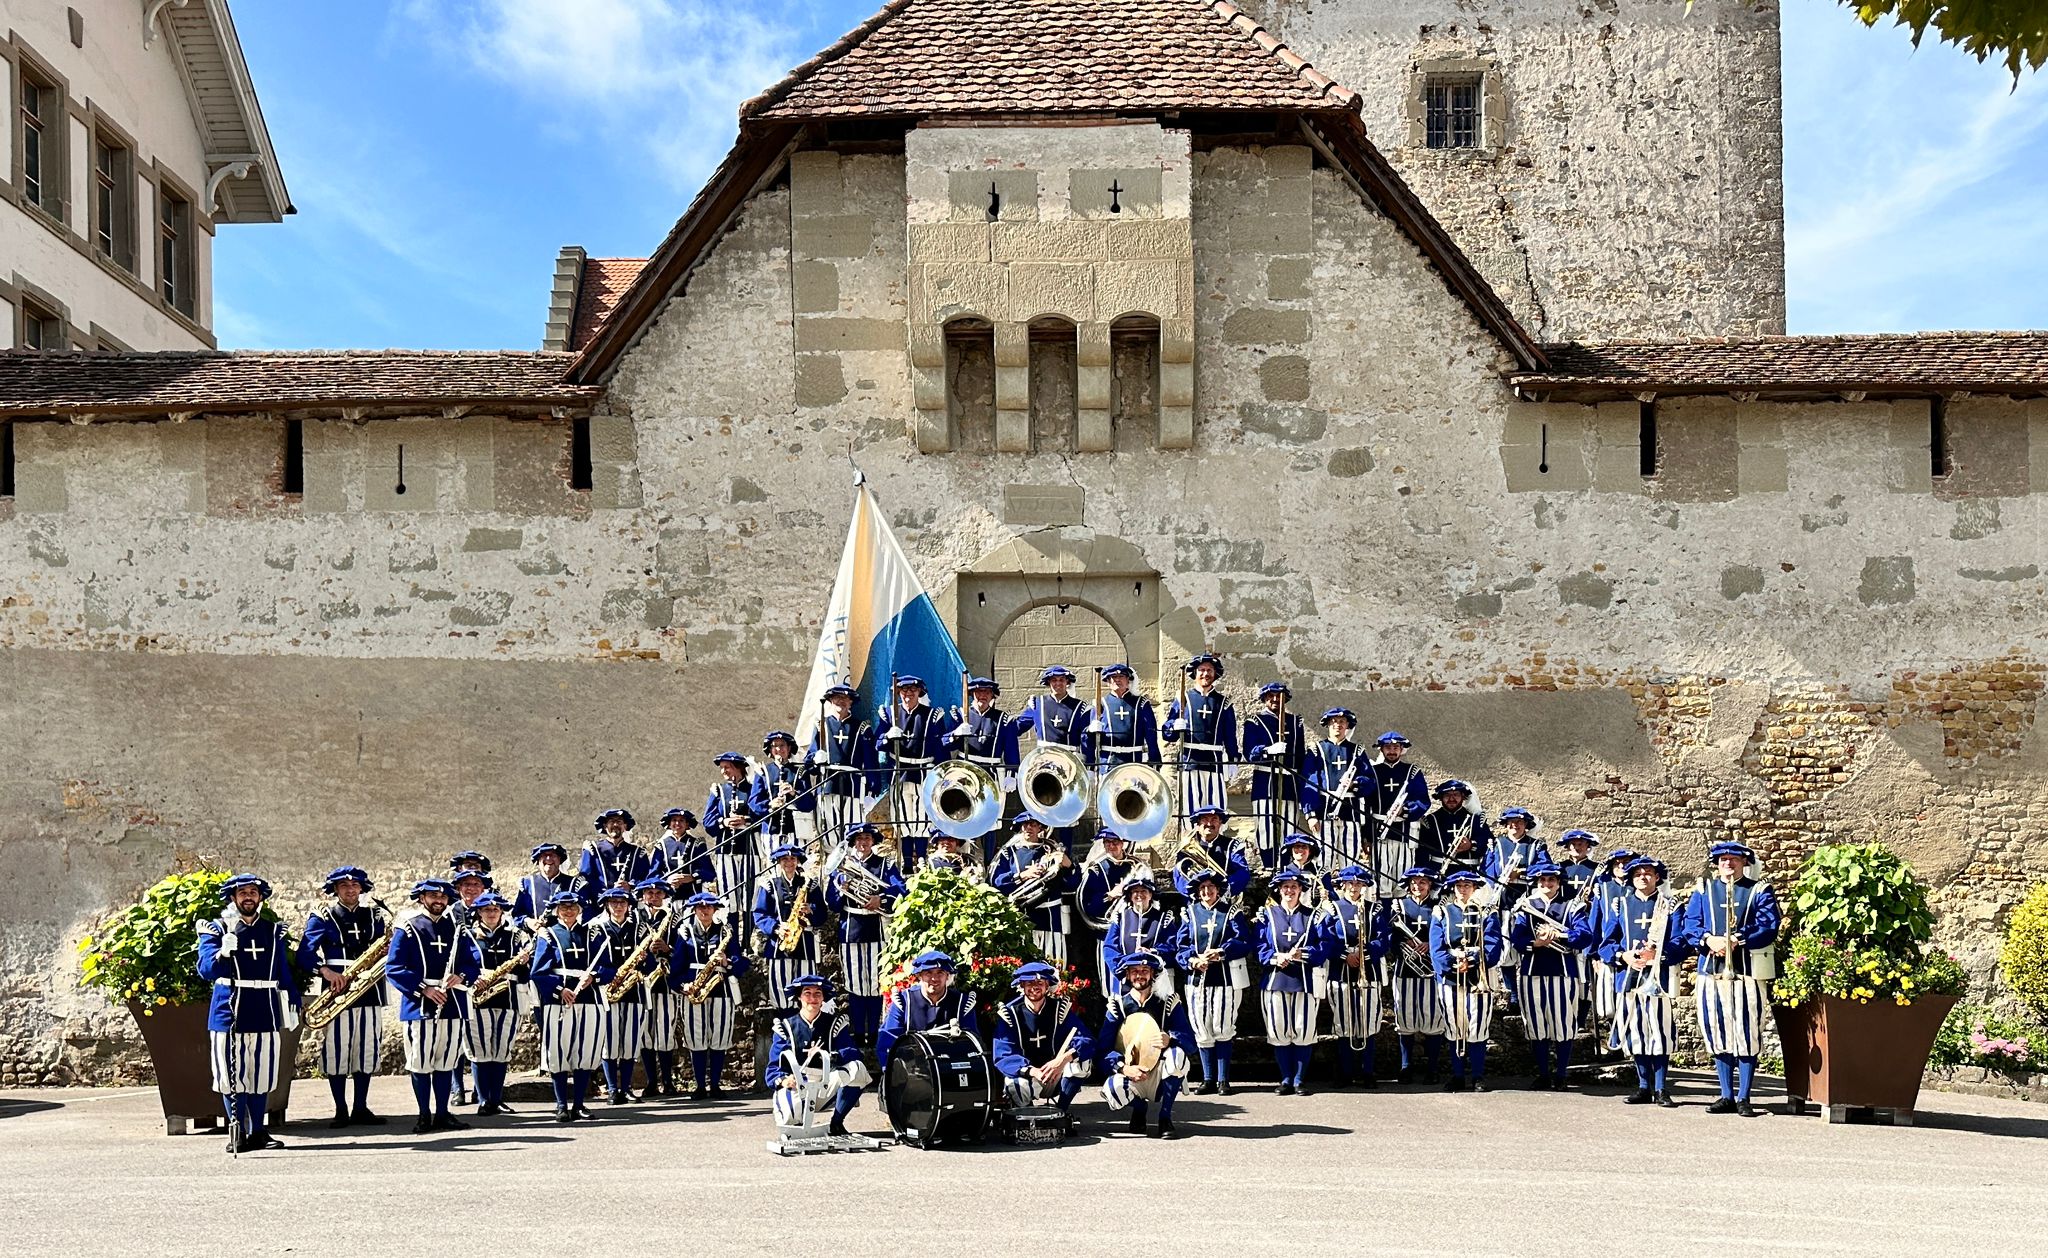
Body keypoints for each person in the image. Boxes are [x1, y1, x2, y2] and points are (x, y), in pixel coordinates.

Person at [197, 874, 299, 1153]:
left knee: (261, 1075)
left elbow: (281, 970)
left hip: (264, 1007)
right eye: (242, 893)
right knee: (232, 1076)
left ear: (261, 898)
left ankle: (258, 1131)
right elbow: (206, 970)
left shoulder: (273, 931)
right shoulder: (216, 929)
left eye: (253, 892)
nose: (248, 897)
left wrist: (292, 999)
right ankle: (236, 1130)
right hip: (229, 1010)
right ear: (233, 898)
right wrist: (222, 954)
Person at [1685, 841, 1781, 1116]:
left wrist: (1736, 939)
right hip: (1711, 972)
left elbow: (1768, 925)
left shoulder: (1758, 890)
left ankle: (1744, 1097)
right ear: (1716, 863)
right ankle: (1725, 1094)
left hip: (1747, 973)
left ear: (1744, 862)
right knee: (1717, 1031)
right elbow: (1691, 925)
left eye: (1734, 859)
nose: (1728, 863)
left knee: (1747, 1033)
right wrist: (1709, 940)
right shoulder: (1704, 890)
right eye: (1723, 859)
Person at [386, 878, 483, 1134]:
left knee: (445, 1061)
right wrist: (423, 989)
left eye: (442, 897)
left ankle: (442, 1113)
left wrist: (461, 976)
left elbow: (473, 962)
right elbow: (394, 968)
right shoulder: (408, 928)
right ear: (422, 898)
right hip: (420, 1005)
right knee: (420, 1062)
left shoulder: (457, 929)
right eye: (432, 896)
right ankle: (423, 1114)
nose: (438, 901)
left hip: (452, 1003)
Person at [301, 865, 387, 1128]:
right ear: (335, 890)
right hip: (337, 987)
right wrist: (324, 971)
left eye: (355, 886)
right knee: (337, 1050)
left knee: (367, 1049)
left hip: (370, 989)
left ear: (361, 889)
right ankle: (340, 1109)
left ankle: (361, 1107)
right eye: (344, 886)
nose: (350, 890)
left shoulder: (375, 915)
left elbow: (384, 949)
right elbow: (305, 953)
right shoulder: (322, 916)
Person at [1599, 854, 1688, 1107]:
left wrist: (1659, 954)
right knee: (1636, 1033)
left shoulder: (1670, 905)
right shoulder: (1621, 905)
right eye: (1637, 874)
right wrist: (1623, 956)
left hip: (1658, 977)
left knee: (1659, 1033)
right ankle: (1642, 1086)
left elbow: (1681, 940)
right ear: (1631, 879)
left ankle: (1661, 1088)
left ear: (1657, 877)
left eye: (1648, 873)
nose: (1643, 877)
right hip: (1630, 977)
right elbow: (1607, 943)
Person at [1507, 855, 1594, 1090]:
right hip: (1531, 972)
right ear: (1537, 882)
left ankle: (1561, 1075)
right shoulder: (1526, 906)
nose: (1547, 884)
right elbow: (1517, 939)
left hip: (1563, 972)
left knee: (1563, 1024)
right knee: (1536, 1024)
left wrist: (1560, 935)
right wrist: (1537, 943)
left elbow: (1585, 935)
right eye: (1542, 880)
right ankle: (1543, 1074)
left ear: (1559, 881)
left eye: (1551, 880)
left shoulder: (1571, 905)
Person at [1097, 951, 1196, 1138]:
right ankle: (1140, 1109)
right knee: (1112, 1089)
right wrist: (1123, 1068)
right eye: (1134, 971)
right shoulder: (1118, 1006)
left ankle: (1165, 1117)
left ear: (1153, 974)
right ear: (1127, 975)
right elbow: (1102, 1050)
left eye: (1145, 970)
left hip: (1159, 1071)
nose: (1139, 975)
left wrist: (1171, 1039)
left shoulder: (1168, 1003)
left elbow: (1190, 1042)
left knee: (1178, 1057)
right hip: (1132, 1072)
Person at [823, 822, 904, 1049]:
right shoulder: (841, 870)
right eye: (858, 839)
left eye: (867, 838)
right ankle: (859, 1034)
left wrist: (881, 899)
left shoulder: (885, 864)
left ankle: (878, 1033)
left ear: (873, 842)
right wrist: (841, 888)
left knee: (878, 984)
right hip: (851, 930)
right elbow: (832, 903)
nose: (862, 842)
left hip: (877, 929)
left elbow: (901, 890)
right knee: (855, 986)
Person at [1174, 868, 1251, 1095]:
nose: (1207, 891)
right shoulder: (1189, 913)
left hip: (1224, 978)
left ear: (1218, 890)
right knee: (1202, 1028)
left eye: (1211, 888)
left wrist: (1222, 952)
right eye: (1203, 888)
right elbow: (1181, 945)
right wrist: (1193, 960)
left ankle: (1223, 1080)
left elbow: (1243, 940)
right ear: (1198, 892)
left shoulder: (1230, 912)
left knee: (1222, 1026)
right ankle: (1207, 1079)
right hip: (1197, 979)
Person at [766, 974, 871, 1138]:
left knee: (857, 1069)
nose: (812, 998)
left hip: (825, 1084)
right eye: (807, 993)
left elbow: (852, 1054)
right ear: (799, 997)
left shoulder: (834, 1023)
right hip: (798, 1084)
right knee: (789, 1121)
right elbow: (773, 1068)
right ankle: (798, 1123)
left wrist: (827, 1056)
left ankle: (836, 1123)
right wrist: (785, 1080)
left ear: (823, 998)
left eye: (817, 994)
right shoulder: (786, 1026)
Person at [530, 890, 603, 1122]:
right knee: (558, 1052)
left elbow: (608, 966)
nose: (569, 910)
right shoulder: (548, 935)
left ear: (579, 909)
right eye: (564, 907)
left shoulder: (592, 933)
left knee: (585, 1052)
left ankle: (579, 1105)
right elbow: (538, 972)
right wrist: (559, 990)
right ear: (556, 910)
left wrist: (595, 977)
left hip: (588, 999)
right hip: (558, 1001)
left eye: (573, 906)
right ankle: (561, 1104)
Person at [990, 961, 1093, 1123]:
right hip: (1029, 1076)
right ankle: (1027, 1116)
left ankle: (1061, 1113)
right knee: (1014, 1084)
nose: (1034, 987)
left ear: (1047, 985)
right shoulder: (1010, 1014)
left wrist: (1062, 1060)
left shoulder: (1060, 1009)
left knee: (1082, 1062)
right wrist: (1033, 1071)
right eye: (1029, 983)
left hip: (1057, 1074)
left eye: (1040, 982)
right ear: (1022, 985)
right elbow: (1003, 1055)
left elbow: (1086, 1040)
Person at [1430, 868, 1503, 1092]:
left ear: (1474, 889)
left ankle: (1478, 1076)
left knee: (1477, 1026)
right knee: (1454, 1025)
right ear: (1453, 889)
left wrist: (1472, 960)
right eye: (1459, 886)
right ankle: (1458, 1075)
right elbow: (1436, 945)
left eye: (1467, 886)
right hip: (1451, 976)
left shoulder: (1485, 912)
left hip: (1477, 972)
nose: (1463, 890)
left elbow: (1493, 943)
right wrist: (1452, 965)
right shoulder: (1441, 912)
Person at [1257, 869, 1327, 1095]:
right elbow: (1259, 946)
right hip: (1275, 981)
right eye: (1285, 887)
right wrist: (1275, 958)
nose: (1289, 891)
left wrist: (1303, 954)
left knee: (1303, 1030)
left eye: (1294, 887)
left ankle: (1299, 1080)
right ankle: (1285, 1078)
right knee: (1279, 1031)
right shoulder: (1266, 915)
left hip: (1304, 981)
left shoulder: (1313, 916)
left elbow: (1323, 946)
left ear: (1301, 891)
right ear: (1279, 890)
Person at [671, 890, 747, 1098]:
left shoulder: (725, 932)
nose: (704, 910)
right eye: (700, 907)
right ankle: (699, 1086)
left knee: (720, 1037)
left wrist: (727, 961)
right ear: (694, 910)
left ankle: (714, 1084)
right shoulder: (685, 932)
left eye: (708, 907)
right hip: (694, 990)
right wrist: (682, 986)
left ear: (715, 909)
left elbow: (741, 962)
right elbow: (676, 966)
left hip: (720, 989)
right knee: (696, 1038)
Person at [1321, 864, 1389, 1089]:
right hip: (1340, 972)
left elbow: (1382, 939)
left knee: (1368, 1022)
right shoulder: (1332, 909)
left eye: (1358, 883)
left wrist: (1363, 953)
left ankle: (1368, 1071)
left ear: (1364, 886)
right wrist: (1344, 955)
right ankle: (1345, 1071)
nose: (1353, 887)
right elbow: (1326, 939)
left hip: (1368, 970)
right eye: (1349, 883)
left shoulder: (1374, 909)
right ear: (1342, 885)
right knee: (1344, 1022)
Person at [463, 891, 525, 1115]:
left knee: (501, 1050)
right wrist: (472, 978)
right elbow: (459, 965)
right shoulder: (467, 936)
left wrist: (523, 963)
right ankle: (483, 1100)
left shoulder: (515, 936)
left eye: (496, 909)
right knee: (480, 1050)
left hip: (507, 998)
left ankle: (496, 1099)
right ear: (479, 912)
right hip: (478, 999)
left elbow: (526, 973)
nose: (492, 913)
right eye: (487, 910)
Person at [589, 885, 652, 1103]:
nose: (618, 907)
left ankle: (626, 1088)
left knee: (630, 1041)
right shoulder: (595, 929)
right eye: (614, 903)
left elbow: (651, 965)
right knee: (610, 1040)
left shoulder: (641, 929)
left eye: (623, 903)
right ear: (606, 905)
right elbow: (591, 962)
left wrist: (645, 959)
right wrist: (612, 974)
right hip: (607, 989)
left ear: (629, 906)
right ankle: (612, 1088)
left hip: (634, 991)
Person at [876, 675, 947, 867]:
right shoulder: (889, 714)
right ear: (898, 692)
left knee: (922, 817)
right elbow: (877, 744)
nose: (908, 694)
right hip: (899, 771)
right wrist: (887, 737)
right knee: (903, 817)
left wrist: (942, 775)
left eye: (912, 690)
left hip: (924, 770)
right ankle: (907, 860)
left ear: (919, 693)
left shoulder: (932, 714)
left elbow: (940, 747)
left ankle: (922, 857)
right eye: (904, 690)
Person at [990, 813, 1079, 964]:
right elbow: (996, 882)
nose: (1028, 828)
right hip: (1022, 916)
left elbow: (1072, 884)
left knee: (1054, 965)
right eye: (1025, 825)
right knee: (1023, 964)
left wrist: (1069, 865)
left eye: (1033, 824)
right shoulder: (1008, 853)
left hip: (1051, 918)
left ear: (1040, 827)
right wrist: (1023, 875)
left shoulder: (1052, 850)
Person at [1387, 866, 1447, 1082]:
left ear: (1430, 885)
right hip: (1405, 969)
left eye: (1423, 882)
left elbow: (1446, 935)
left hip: (1431, 971)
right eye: (1414, 882)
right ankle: (1406, 1066)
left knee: (1433, 1019)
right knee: (1405, 1019)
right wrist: (1405, 944)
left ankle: (1432, 1068)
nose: (1417, 886)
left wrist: (1429, 944)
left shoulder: (1439, 908)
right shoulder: (1399, 906)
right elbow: (1391, 938)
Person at [1242, 681, 1309, 869]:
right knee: (1266, 830)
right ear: (1264, 698)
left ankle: (1287, 868)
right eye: (1270, 696)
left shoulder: (1296, 723)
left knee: (1289, 829)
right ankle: (1269, 866)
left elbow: (1300, 756)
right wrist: (1268, 750)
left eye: (1278, 696)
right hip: (1265, 782)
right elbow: (1250, 753)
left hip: (1289, 784)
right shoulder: (1254, 721)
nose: (1274, 700)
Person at [876, 950, 980, 1069]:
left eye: (940, 973)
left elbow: (972, 1043)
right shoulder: (904, 1002)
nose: (934, 978)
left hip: (951, 1070)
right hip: (913, 1071)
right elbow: (888, 1043)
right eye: (928, 973)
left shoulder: (962, 1003)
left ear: (948, 976)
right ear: (919, 975)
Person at [754, 842, 832, 1000]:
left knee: (806, 990)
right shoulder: (769, 885)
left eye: (792, 859)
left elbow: (822, 913)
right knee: (780, 992)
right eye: (784, 859)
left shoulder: (810, 884)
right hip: (780, 945)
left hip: (805, 945)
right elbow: (760, 914)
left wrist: (811, 910)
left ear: (798, 861)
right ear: (779, 862)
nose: (789, 863)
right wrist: (776, 928)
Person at [1163, 654, 1237, 818]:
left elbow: (1230, 734)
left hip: (1214, 762)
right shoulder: (1184, 699)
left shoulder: (1223, 702)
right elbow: (1168, 734)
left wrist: (1233, 759)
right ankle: (1191, 843)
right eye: (1202, 670)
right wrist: (1175, 726)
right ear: (1195, 674)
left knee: (1215, 806)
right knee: (1190, 807)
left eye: (1209, 670)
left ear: (1215, 674)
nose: (1205, 674)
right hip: (1190, 761)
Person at [705, 751, 768, 943]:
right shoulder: (718, 791)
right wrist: (723, 822)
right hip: (726, 852)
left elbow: (763, 815)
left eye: (727, 767)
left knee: (751, 895)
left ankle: (749, 940)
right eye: (722, 767)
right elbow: (708, 822)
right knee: (729, 898)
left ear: (739, 768)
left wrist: (746, 820)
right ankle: (730, 942)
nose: (724, 771)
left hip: (750, 850)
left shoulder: (752, 790)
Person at [808, 683, 875, 851]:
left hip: (852, 786)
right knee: (828, 830)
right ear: (830, 700)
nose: (841, 701)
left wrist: (872, 789)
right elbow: (810, 759)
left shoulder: (861, 727)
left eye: (845, 698)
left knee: (852, 831)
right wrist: (816, 759)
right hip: (827, 785)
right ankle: (833, 872)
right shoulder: (821, 725)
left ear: (851, 702)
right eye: (837, 697)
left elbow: (870, 761)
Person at [634, 878, 682, 1097]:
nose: (653, 897)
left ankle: (668, 1082)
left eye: (657, 893)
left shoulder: (674, 919)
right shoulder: (635, 918)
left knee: (665, 1032)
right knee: (645, 1033)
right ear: (643, 896)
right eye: (649, 893)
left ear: (664, 896)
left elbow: (685, 950)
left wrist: (668, 949)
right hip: (642, 980)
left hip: (664, 981)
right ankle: (651, 1082)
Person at [1365, 732, 1429, 893]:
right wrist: (1366, 837)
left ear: (1402, 749)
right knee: (1381, 881)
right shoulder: (1373, 772)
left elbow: (1423, 800)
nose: (1392, 751)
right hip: (1380, 835)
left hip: (1405, 835)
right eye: (1388, 747)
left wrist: (1405, 809)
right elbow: (1365, 806)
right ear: (1381, 749)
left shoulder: (1412, 772)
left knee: (1404, 880)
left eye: (1395, 747)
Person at [1305, 708, 1369, 869]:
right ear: (1327, 724)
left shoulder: (1357, 751)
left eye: (1342, 722)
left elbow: (1370, 780)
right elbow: (1308, 782)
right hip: (1324, 810)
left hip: (1350, 811)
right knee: (1323, 857)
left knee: (1350, 856)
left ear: (1347, 725)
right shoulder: (1316, 750)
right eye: (1333, 721)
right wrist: (1310, 814)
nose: (1337, 725)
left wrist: (1356, 784)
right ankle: (1324, 892)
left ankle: (1349, 892)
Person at [1101, 871, 1180, 1000]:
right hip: (1126, 980)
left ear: (1151, 895)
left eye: (1144, 891)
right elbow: (1109, 947)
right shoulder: (1120, 919)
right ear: (1130, 896)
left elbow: (1172, 946)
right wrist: (1122, 969)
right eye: (1135, 892)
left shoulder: (1163, 919)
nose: (1139, 895)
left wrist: (1152, 953)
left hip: (1156, 981)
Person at [1079, 828, 1141, 982]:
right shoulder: (1096, 870)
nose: (1111, 846)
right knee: (1109, 981)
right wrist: (1109, 896)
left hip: (1134, 932)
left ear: (1123, 843)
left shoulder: (1136, 867)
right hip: (1106, 933)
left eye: (1115, 842)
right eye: (1107, 842)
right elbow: (1086, 905)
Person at [948, 676, 1021, 804]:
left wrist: (1012, 774)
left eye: (987, 692)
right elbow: (945, 745)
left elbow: (1011, 751)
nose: (982, 695)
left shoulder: (1003, 719)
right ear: (972, 694)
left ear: (993, 695)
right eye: (979, 692)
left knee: (991, 816)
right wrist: (956, 733)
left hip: (992, 773)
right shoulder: (960, 715)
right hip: (964, 771)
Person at [1083, 663, 1161, 772]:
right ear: (1108, 681)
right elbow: (1089, 740)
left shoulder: (1141, 703)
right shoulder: (1100, 703)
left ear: (1128, 680)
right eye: (1113, 677)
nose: (1117, 680)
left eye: (1121, 677)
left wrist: (1154, 760)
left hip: (1134, 761)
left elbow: (1151, 735)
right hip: (1107, 763)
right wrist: (1090, 731)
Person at [1171, 804, 1254, 903]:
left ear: (1220, 823)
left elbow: (1242, 872)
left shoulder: (1233, 845)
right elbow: (1178, 876)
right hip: (1195, 904)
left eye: (1214, 819)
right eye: (1205, 819)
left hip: (1224, 902)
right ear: (1198, 823)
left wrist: (1225, 889)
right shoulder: (1185, 849)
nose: (1209, 823)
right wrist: (1196, 893)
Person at [753, 730, 812, 859]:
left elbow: (809, 803)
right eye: (774, 746)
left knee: (797, 866)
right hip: (771, 830)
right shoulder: (764, 772)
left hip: (795, 829)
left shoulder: (800, 771)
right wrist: (770, 805)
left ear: (789, 748)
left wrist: (794, 793)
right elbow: (754, 803)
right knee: (774, 868)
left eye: (782, 745)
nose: (778, 749)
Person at [1416, 779, 1490, 878]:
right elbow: (1422, 851)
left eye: (1456, 795)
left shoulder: (1476, 820)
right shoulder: (1430, 821)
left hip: (1468, 873)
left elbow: (1488, 844)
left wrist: (1471, 845)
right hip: (1438, 873)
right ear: (1441, 797)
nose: (1451, 799)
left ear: (1463, 797)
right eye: (1447, 795)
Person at [579, 808, 653, 897]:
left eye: (619, 822)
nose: (615, 825)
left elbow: (646, 878)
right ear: (605, 826)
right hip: (599, 904)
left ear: (625, 826)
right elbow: (585, 879)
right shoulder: (592, 850)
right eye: (611, 821)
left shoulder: (637, 853)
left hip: (629, 904)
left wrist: (630, 886)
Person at [515, 842, 580, 929]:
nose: (548, 858)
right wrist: (529, 922)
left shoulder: (574, 883)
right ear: (538, 860)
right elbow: (517, 914)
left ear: (559, 859)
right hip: (537, 938)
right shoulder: (527, 884)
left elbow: (586, 911)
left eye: (553, 855)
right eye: (544, 855)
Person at [653, 807, 708, 899]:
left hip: (693, 896)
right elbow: (654, 872)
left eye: (681, 820)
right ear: (669, 824)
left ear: (687, 824)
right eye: (674, 820)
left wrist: (692, 877)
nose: (677, 823)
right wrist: (668, 879)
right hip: (668, 897)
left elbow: (708, 871)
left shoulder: (697, 844)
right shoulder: (661, 845)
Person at [1273, 832, 1330, 911]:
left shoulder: (1321, 872)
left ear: (1310, 851)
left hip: (1314, 915)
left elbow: (1332, 896)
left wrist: (1326, 895)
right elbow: (1274, 899)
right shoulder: (1282, 872)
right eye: (1297, 846)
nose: (1300, 849)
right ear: (1291, 850)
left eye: (1304, 847)